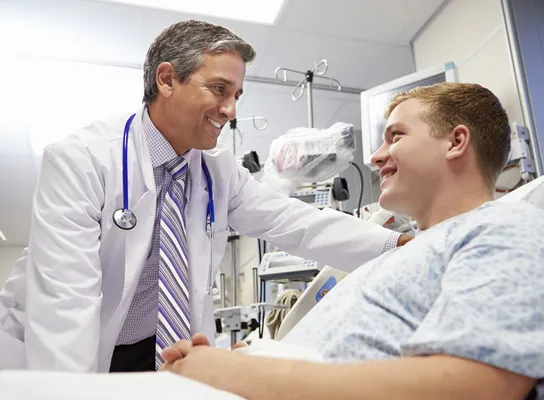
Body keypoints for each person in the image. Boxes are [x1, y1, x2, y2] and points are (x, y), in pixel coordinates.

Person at [0, 20, 406, 373]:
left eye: (237, 95)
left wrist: (397, 245)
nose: (230, 109)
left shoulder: (217, 169)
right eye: (219, 89)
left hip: (153, 350)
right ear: (166, 79)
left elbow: (296, 223)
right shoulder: (81, 160)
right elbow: (65, 305)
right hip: (65, 348)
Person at [159, 82, 544, 400]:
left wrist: (230, 374)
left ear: (456, 142)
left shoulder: (512, 231)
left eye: (396, 136)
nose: (374, 156)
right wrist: (251, 359)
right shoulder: (400, 259)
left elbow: (467, 389)